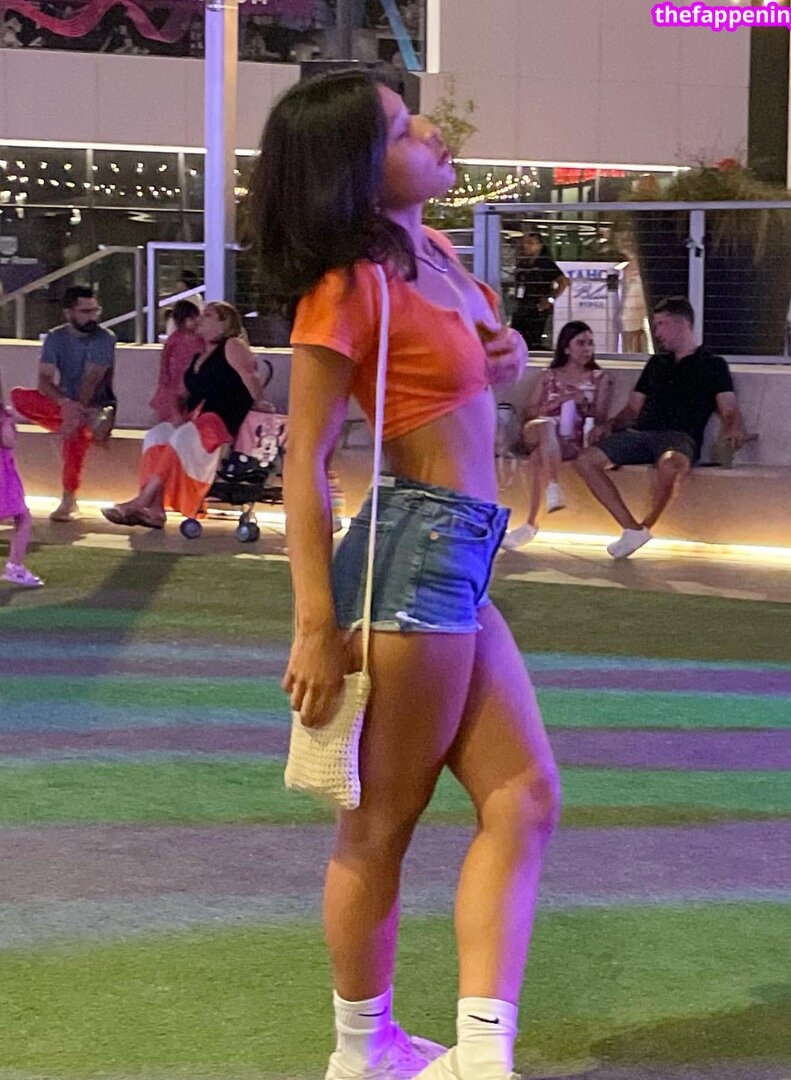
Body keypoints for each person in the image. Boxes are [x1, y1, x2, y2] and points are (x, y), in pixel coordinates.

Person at [246, 69, 559, 1080]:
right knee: (379, 825)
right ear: (355, 169)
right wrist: (313, 624)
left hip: (460, 550)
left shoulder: (437, 253)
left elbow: (476, 370)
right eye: (397, 128)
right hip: (410, 555)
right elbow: (304, 461)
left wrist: (505, 354)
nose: (428, 129)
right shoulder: (347, 286)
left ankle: (478, 1057)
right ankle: (361, 1053)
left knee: (525, 797)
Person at [576, 296, 746, 560]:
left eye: (661, 325)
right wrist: (609, 425)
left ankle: (645, 527)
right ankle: (631, 528)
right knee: (586, 460)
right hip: (640, 434)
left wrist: (733, 429)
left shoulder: (713, 364)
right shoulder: (656, 363)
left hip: (679, 437)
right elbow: (633, 409)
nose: (656, 332)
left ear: (681, 324)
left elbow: (729, 409)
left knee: (670, 465)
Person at [102, 302, 262, 529]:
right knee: (156, 436)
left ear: (223, 324)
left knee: (182, 436)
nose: (200, 318)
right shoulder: (199, 356)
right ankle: (155, 509)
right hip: (195, 420)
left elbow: (250, 376)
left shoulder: (232, 345)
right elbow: (180, 394)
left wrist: (261, 403)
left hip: (220, 422)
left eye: (208, 315)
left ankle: (142, 500)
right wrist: (176, 415)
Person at [503, 321, 613, 549]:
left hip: (570, 440)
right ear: (566, 348)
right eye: (580, 343)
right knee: (546, 426)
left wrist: (583, 405)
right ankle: (553, 485)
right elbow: (529, 413)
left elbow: (600, 418)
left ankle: (530, 525)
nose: (587, 349)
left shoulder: (600, 378)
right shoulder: (549, 376)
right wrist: (560, 400)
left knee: (539, 457)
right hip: (537, 430)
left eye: (590, 343)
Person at [11, 286, 116, 522]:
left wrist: (75, 411)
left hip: (96, 406)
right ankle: (72, 422)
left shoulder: (105, 338)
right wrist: (66, 404)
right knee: (18, 396)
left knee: (75, 433)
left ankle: (69, 498)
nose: (92, 317)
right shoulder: (55, 338)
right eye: (85, 311)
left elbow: (92, 379)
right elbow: (44, 380)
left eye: (95, 310)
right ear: (69, 313)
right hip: (65, 406)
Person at [0, 373, 43, 587]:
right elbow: (7, 441)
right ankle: (15, 566)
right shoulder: (2, 416)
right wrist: (8, 422)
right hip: (3, 477)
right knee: (22, 516)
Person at [509, 232, 569, 349]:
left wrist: (550, 300)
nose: (526, 246)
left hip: (537, 308)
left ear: (539, 246)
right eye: (525, 243)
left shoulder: (545, 264)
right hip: (522, 305)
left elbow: (563, 282)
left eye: (531, 243)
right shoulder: (523, 262)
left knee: (533, 339)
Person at [149, 299, 205, 423]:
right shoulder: (174, 339)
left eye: (196, 317)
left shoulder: (200, 338)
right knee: (174, 407)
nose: (196, 321)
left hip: (192, 379)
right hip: (175, 378)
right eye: (191, 318)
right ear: (181, 320)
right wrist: (164, 379)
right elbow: (165, 360)